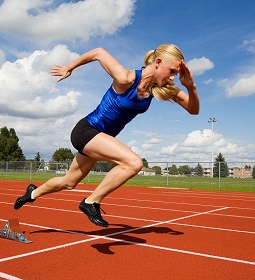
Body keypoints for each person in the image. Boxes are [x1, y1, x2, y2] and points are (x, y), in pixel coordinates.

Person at [14, 44, 200, 228]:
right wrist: (69, 67)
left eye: (176, 73)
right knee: (133, 163)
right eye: (172, 71)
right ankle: (91, 202)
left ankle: (31, 193)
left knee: (68, 182)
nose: (173, 77)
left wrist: (191, 87)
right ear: (158, 62)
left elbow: (193, 110)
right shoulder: (126, 77)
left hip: (99, 140)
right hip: (87, 131)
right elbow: (98, 52)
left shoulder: (161, 88)